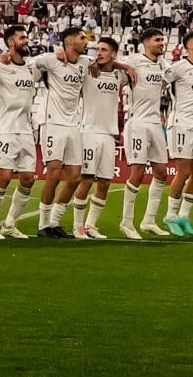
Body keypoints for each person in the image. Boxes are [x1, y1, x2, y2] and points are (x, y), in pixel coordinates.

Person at [32, 29, 92, 238]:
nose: (86, 42)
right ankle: (43, 225)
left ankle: (55, 222)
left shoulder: (84, 62)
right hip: (52, 122)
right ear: (69, 41)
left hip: (73, 124)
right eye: (82, 38)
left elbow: (105, 63)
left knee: (75, 177)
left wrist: (125, 66)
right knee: (54, 173)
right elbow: (29, 62)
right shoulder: (50, 60)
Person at [0, 24, 39, 239]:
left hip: (26, 130)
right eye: (22, 38)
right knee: (3, 177)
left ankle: (10, 224)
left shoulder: (32, 68)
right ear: (11, 43)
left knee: (28, 179)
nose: (27, 41)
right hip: (5, 129)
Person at [71, 38, 132, 238]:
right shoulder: (88, 71)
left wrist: (121, 65)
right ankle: (77, 225)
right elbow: (77, 58)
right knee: (87, 179)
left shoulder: (118, 76)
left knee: (105, 182)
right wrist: (95, 61)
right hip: (89, 132)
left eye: (104, 50)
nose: (99, 53)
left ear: (113, 54)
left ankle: (90, 225)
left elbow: (129, 69)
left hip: (108, 134)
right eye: (98, 49)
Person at [118, 28, 171, 240]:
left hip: (155, 123)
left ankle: (149, 220)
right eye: (157, 40)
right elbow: (111, 65)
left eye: (162, 40)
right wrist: (122, 66)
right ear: (146, 42)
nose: (161, 43)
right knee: (138, 172)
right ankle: (127, 222)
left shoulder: (162, 64)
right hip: (138, 122)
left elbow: (172, 77)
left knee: (161, 172)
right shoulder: (134, 61)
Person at [161, 30, 193, 236]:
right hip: (180, 123)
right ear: (189, 46)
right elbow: (159, 83)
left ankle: (184, 217)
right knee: (184, 172)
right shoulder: (179, 67)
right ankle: (170, 216)